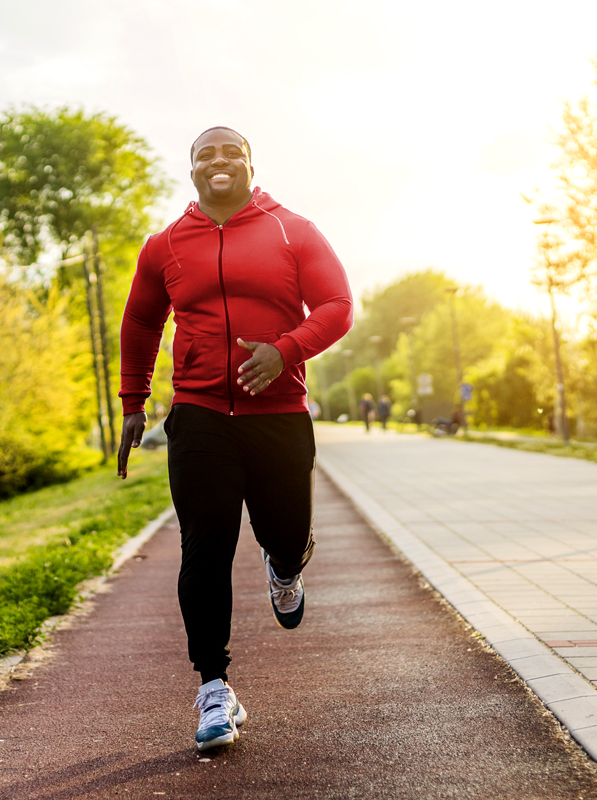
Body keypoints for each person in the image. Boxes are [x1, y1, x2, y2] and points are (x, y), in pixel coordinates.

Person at [117, 126, 353, 752]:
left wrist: (286, 350)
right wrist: (133, 402)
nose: (218, 161)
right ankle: (214, 686)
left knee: (284, 532)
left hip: (277, 415)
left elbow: (336, 304)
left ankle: (285, 567)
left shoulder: (291, 230)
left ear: (251, 164)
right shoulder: (165, 244)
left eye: (230, 152)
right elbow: (141, 319)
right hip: (198, 416)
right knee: (205, 548)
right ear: (191, 170)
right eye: (205, 154)